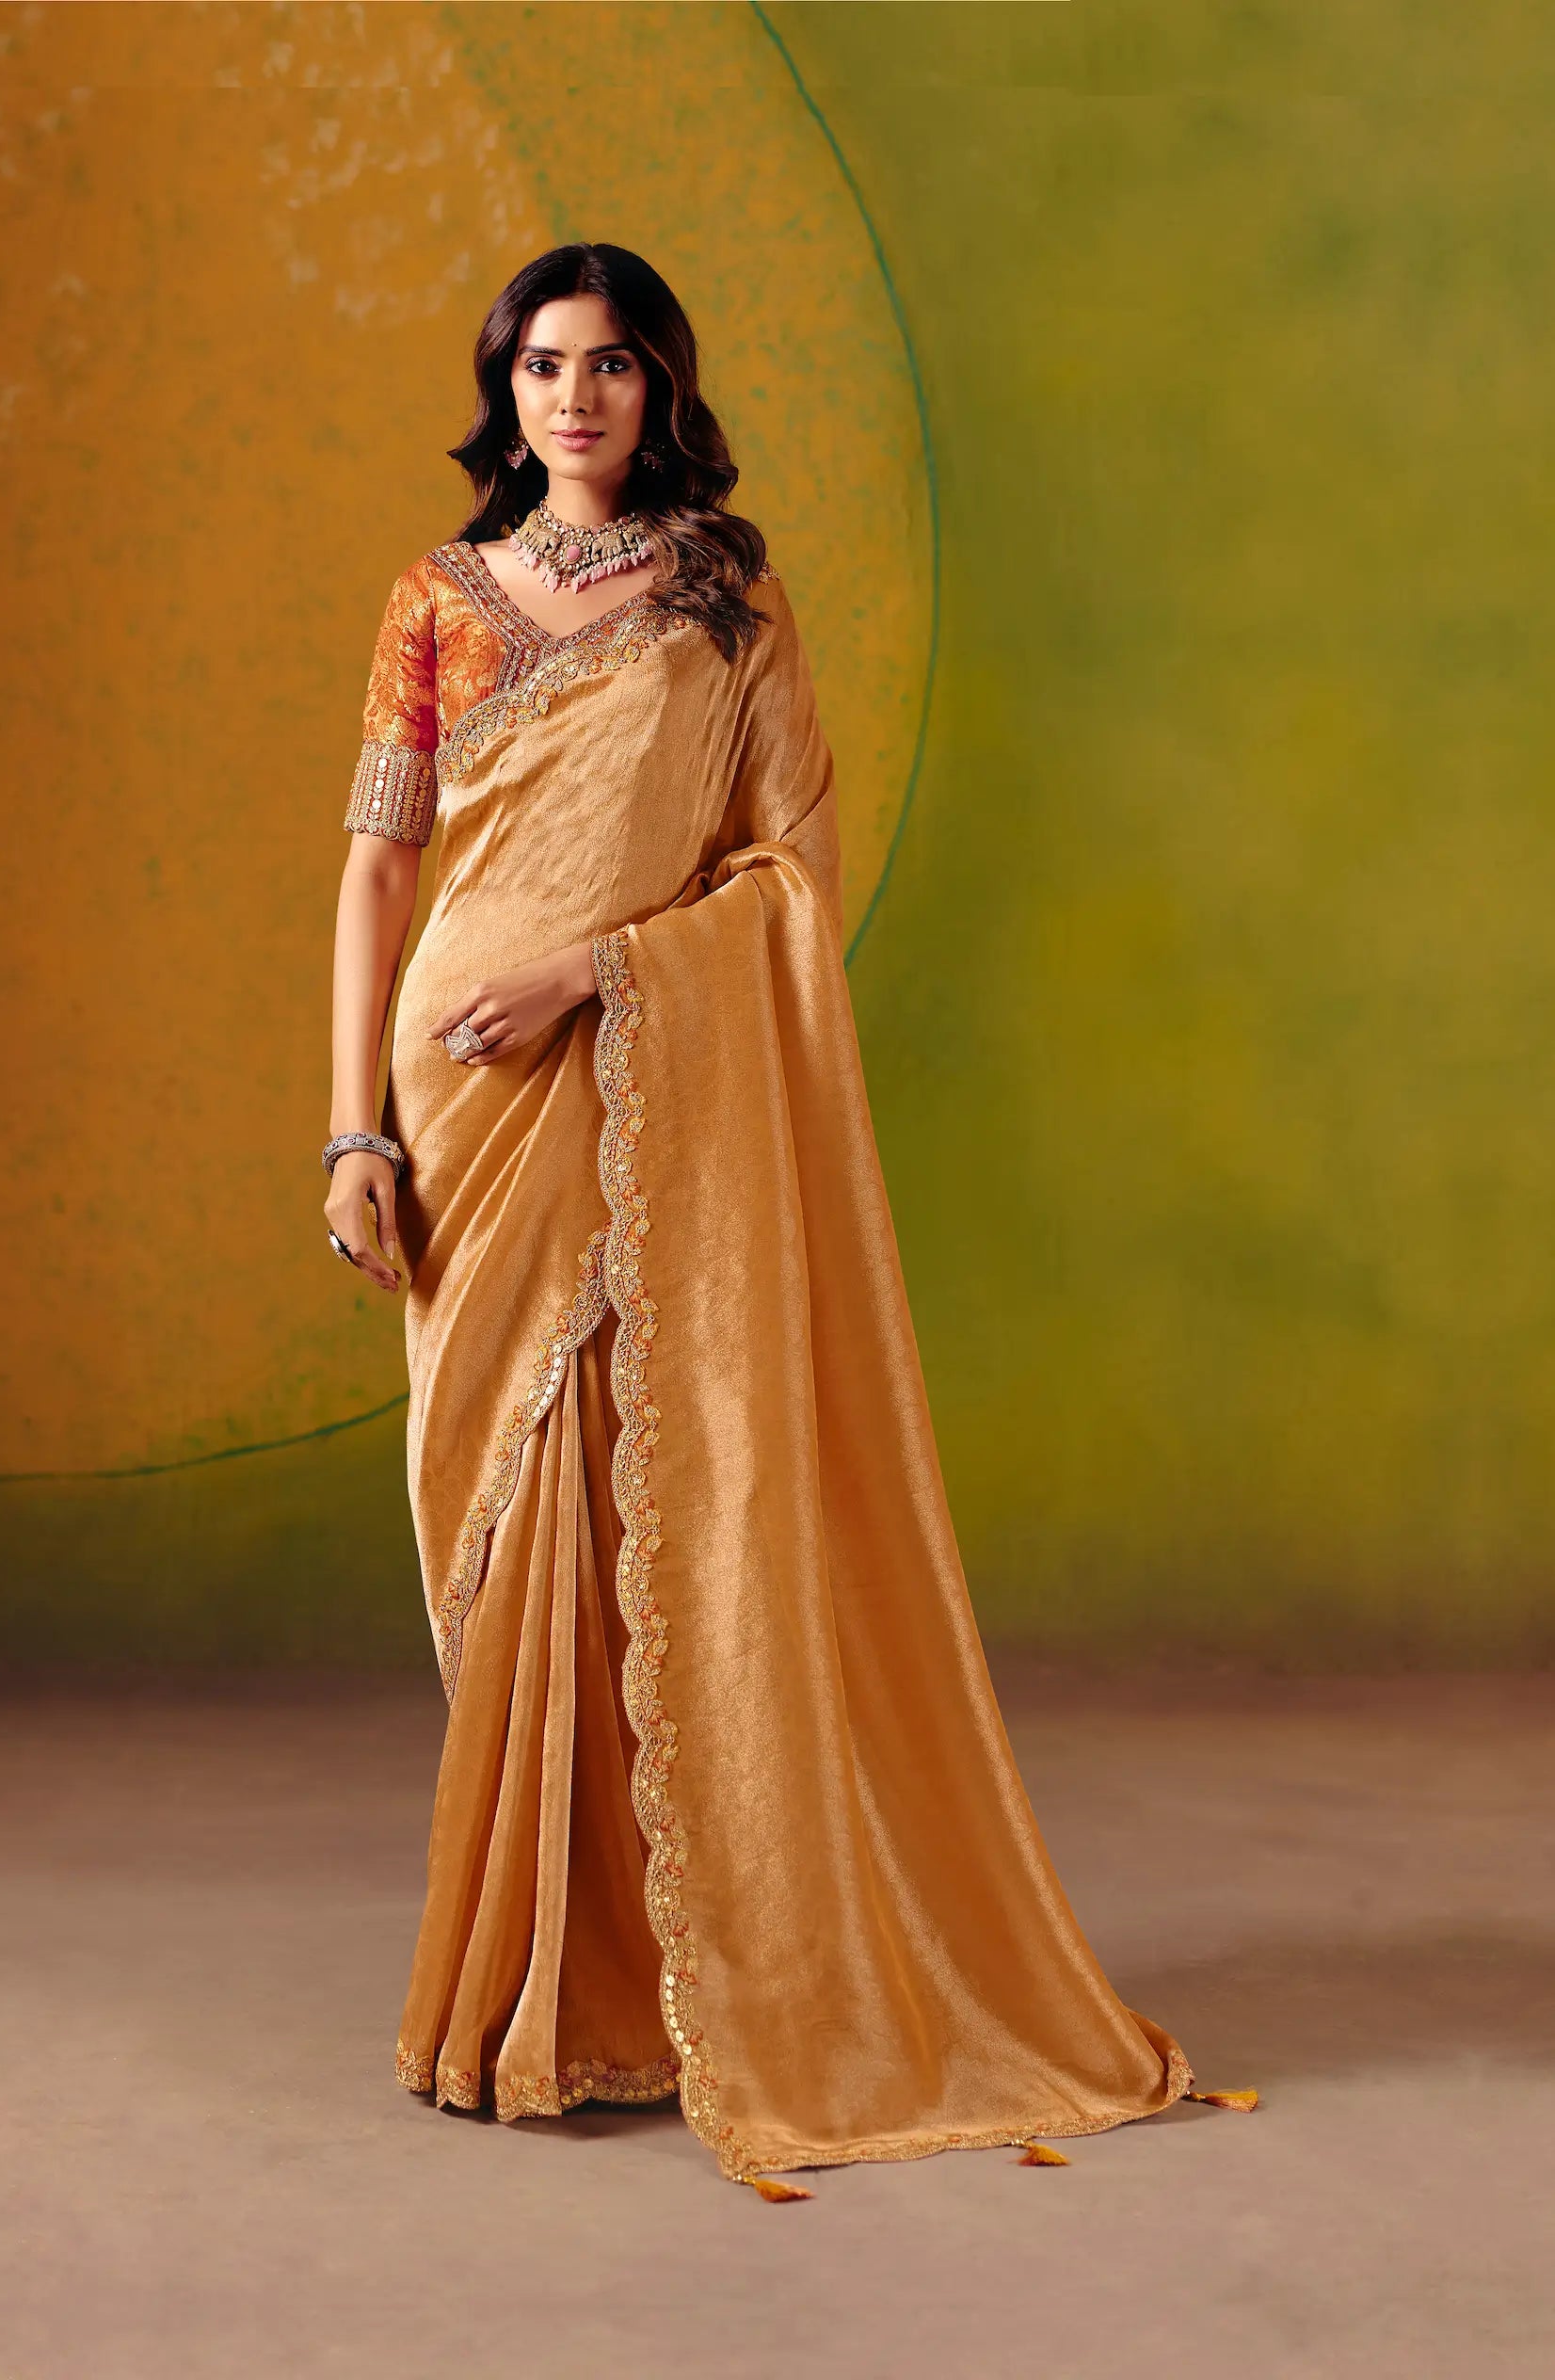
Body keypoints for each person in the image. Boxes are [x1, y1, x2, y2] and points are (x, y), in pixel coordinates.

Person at [323, 242, 1247, 2195]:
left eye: (609, 365)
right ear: (505, 390)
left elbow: (788, 885)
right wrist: (350, 1132)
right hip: (457, 1103)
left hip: (625, 1075)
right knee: (497, 1509)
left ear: (660, 387)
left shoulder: (727, 605)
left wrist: (595, 971)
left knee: (636, 1499)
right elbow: (375, 876)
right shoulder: (432, 600)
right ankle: (536, 1977)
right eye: (542, 365)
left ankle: (612, 1996)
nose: (574, 398)